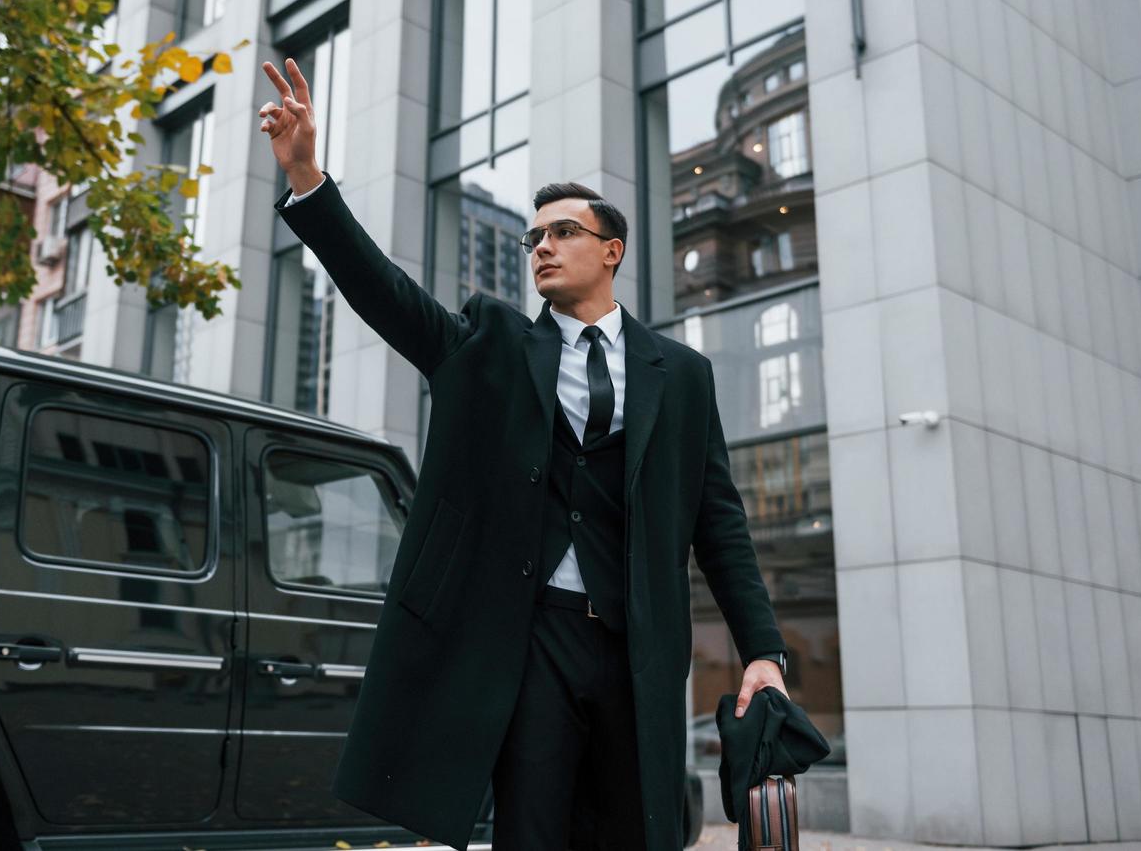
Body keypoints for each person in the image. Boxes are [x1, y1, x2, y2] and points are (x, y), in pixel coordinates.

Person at [257, 58, 789, 851]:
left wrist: (764, 653)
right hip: (528, 638)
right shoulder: (490, 345)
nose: (540, 247)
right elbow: (383, 293)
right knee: (531, 832)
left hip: (635, 647)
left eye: (562, 232)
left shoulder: (681, 375)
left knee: (631, 835)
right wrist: (308, 178)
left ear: (611, 251)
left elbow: (719, 522)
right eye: (532, 236)